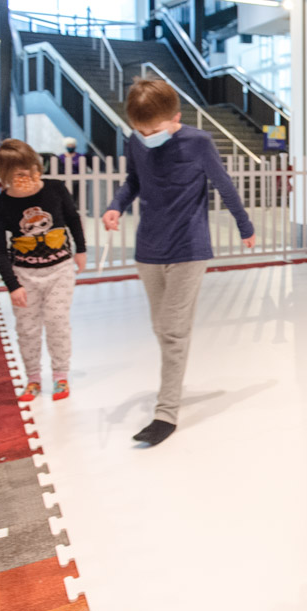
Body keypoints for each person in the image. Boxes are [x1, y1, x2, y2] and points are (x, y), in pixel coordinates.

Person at [103, 78, 256, 446]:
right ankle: (172, 386)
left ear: (175, 118)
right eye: (139, 130)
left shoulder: (198, 142)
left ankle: (165, 413)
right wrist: (115, 206)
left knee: (172, 331)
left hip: (189, 247)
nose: (146, 136)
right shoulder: (136, 141)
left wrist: (244, 224)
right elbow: (133, 181)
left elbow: (224, 185)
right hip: (149, 249)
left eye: (154, 130)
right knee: (163, 328)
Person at [0, 139, 86, 401]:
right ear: (6, 176)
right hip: (25, 274)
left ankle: (60, 375)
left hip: (60, 270)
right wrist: (13, 285)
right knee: (27, 328)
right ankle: (32, 377)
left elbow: (73, 218)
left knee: (56, 321)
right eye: (18, 174)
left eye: (31, 169)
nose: (27, 177)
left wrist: (81, 249)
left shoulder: (54, 189)